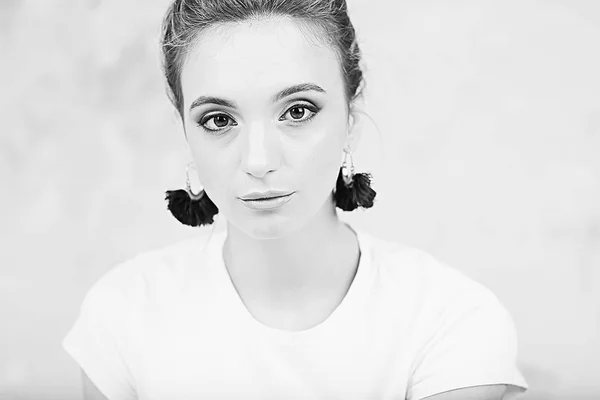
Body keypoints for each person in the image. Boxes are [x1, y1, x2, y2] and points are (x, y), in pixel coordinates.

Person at [62, 1, 529, 399]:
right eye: (218, 120)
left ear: (351, 115)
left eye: (298, 111)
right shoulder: (122, 317)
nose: (259, 160)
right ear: (185, 129)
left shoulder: (450, 323)